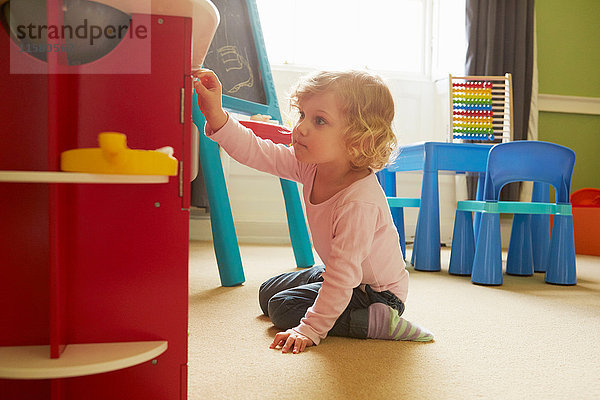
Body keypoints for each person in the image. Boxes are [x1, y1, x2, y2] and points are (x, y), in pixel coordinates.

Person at [193, 68, 433, 354]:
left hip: (377, 294)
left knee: (282, 308)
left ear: (359, 140)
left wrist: (311, 328)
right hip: (344, 274)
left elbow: (343, 277)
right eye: (303, 115)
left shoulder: (359, 202)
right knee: (267, 292)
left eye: (319, 120)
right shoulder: (311, 165)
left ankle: (375, 322)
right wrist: (217, 116)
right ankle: (335, 303)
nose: (302, 128)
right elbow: (258, 151)